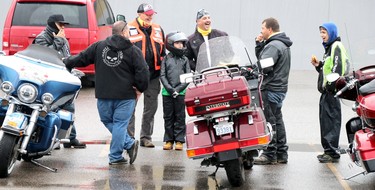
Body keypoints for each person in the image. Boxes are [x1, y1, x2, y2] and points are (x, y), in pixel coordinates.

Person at [63, 20, 149, 165]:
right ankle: (125, 147)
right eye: (128, 30)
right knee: (119, 124)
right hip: (125, 95)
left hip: (104, 94)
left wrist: (66, 62)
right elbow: (143, 72)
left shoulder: (99, 46)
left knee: (110, 122)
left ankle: (120, 152)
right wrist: (141, 88)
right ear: (124, 32)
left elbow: (82, 58)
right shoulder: (134, 51)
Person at [33, 14, 86, 149]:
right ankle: (51, 139)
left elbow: (66, 58)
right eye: (60, 24)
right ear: (52, 24)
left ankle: (70, 138)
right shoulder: (42, 37)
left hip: (63, 77)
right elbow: (46, 56)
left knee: (69, 107)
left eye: (64, 25)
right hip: (48, 79)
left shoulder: (62, 39)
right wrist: (59, 41)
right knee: (51, 108)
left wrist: (72, 70)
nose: (63, 27)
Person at [253, 17, 293, 165]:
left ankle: (270, 154)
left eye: (262, 28)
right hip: (280, 88)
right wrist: (259, 45)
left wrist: (254, 68)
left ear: (270, 29)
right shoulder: (281, 44)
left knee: (270, 121)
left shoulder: (274, 46)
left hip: (271, 88)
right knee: (277, 120)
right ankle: (282, 153)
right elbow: (266, 60)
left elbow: (264, 66)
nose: (261, 31)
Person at [127, 3, 166, 148]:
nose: (150, 16)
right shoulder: (128, 28)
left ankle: (145, 137)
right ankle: (129, 138)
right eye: (147, 14)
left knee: (151, 108)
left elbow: (163, 53)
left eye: (151, 14)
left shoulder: (158, 29)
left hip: (153, 75)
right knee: (129, 108)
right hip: (134, 76)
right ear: (139, 14)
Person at [311, 22, 350, 163]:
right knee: (326, 122)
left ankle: (332, 152)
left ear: (332, 33)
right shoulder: (328, 48)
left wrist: (332, 87)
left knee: (331, 121)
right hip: (326, 92)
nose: (322, 35)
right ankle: (328, 150)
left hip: (332, 92)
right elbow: (328, 68)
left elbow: (337, 69)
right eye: (321, 32)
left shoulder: (336, 46)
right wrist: (319, 66)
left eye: (324, 32)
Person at [160, 31, 191, 151]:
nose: (181, 46)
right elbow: (162, 75)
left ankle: (179, 140)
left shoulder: (185, 60)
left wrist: (178, 90)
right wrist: (170, 89)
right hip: (167, 93)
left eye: (182, 43)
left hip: (180, 93)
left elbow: (188, 77)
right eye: (178, 43)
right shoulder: (166, 59)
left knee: (180, 116)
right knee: (168, 117)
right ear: (171, 44)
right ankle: (168, 140)